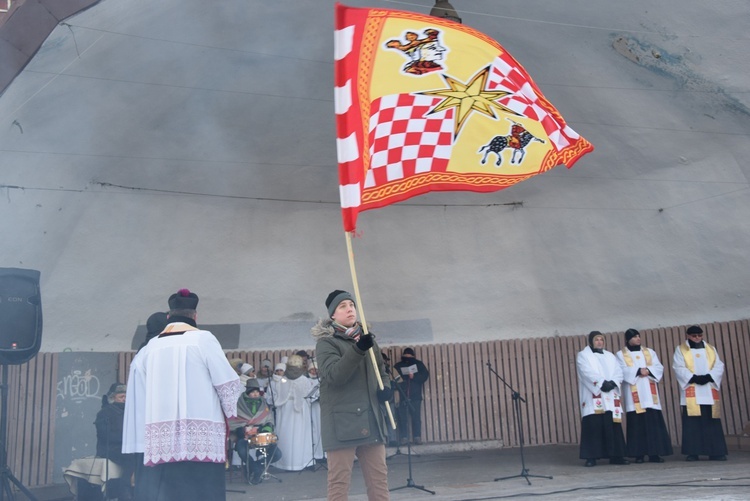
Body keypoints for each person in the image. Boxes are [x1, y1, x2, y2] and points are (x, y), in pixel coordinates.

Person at [123, 288, 244, 501]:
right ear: (195, 316)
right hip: (202, 438)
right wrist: (229, 411)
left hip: (163, 440)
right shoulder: (203, 339)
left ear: (169, 316)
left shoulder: (150, 347)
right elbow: (228, 384)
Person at [312, 290, 392, 501]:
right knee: (339, 484)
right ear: (333, 316)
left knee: (379, 481)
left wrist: (385, 387)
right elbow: (334, 376)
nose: (349, 309)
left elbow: (381, 370)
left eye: (351, 305)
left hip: (371, 418)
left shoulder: (368, 340)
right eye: (343, 306)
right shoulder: (326, 343)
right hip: (342, 423)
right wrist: (357, 350)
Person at [615, 329, 673, 463]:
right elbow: (621, 370)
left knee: (653, 423)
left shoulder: (649, 352)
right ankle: (638, 454)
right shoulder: (620, 354)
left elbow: (658, 367)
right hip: (633, 393)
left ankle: (655, 454)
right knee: (637, 424)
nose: (638, 339)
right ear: (627, 339)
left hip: (649, 391)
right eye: (634, 337)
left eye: (638, 336)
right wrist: (637, 371)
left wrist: (648, 371)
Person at [672, 325, 728, 461]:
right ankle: (693, 452)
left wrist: (709, 377)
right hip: (692, 388)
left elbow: (718, 365)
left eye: (699, 335)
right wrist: (693, 378)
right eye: (694, 336)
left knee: (711, 421)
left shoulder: (711, 349)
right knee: (693, 423)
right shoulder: (681, 350)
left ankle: (715, 452)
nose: (697, 338)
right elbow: (678, 367)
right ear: (688, 336)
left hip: (708, 388)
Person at [576, 331, 629, 467]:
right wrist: (601, 383)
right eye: (597, 340)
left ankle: (616, 455)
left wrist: (613, 383)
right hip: (594, 394)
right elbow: (586, 371)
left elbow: (618, 371)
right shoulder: (583, 355)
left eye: (601, 339)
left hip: (610, 395)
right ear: (591, 341)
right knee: (593, 425)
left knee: (612, 425)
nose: (600, 342)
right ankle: (591, 457)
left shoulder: (610, 355)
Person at [269, 354, 316, 471]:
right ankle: (300, 462)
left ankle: (285, 463)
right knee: (300, 435)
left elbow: (275, 395)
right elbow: (311, 395)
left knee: (285, 434)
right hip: (300, 410)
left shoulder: (282, 380)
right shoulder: (304, 379)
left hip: (285, 410)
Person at [229, 378, 280, 484]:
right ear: (248, 392)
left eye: (257, 391)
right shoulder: (238, 404)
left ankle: (254, 467)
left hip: (261, 435)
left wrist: (262, 429)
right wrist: (244, 430)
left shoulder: (263, 404)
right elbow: (233, 422)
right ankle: (256, 470)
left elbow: (269, 420)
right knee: (241, 449)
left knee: (277, 454)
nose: (256, 394)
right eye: (253, 392)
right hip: (244, 436)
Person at [94, 383, 134, 500]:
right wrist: (126, 439)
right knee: (130, 458)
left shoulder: (130, 412)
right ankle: (124, 493)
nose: (124, 400)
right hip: (110, 449)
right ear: (112, 398)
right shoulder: (104, 413)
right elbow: (105, 436)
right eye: (121, 397)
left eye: (126, 397)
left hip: (125, 446)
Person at [393, 347, 430, 445]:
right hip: (401, 395)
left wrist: (414, 377)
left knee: (416, 417)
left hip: (415, 396)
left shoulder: (419, 364)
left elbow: (425, 376)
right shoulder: (398, 366)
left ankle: (417, 437)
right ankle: (404, 438)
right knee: (402, 418)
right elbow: (393, 378)